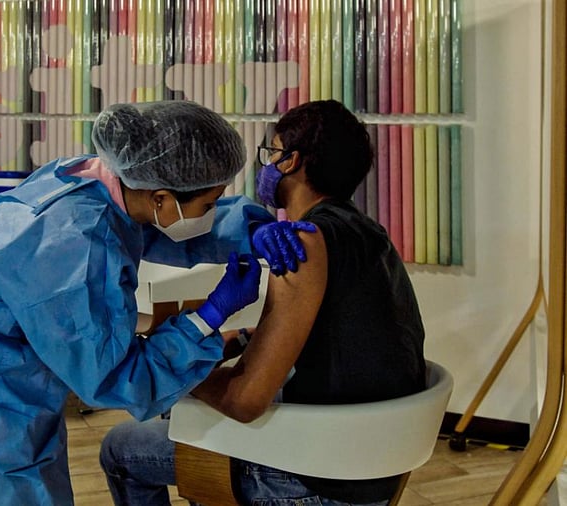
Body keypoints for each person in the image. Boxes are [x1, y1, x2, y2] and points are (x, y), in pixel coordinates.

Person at [0, 100, 313, 505]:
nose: (213, 210)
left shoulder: (100, 184)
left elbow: (152, 229)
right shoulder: (74, 246)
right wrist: (209, 317)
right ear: (162, 197)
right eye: (209, 204)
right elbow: (116, 378)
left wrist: (250, 229)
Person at [99, 99, 427, 505]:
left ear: (290, 161)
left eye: (271, 152)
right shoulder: (371, 234)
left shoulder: (303, 243)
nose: (265, 166)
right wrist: (240, 339)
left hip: (319, 481)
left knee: (120, 448)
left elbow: (245, 402)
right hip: (379, 466)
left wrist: (176, 375)